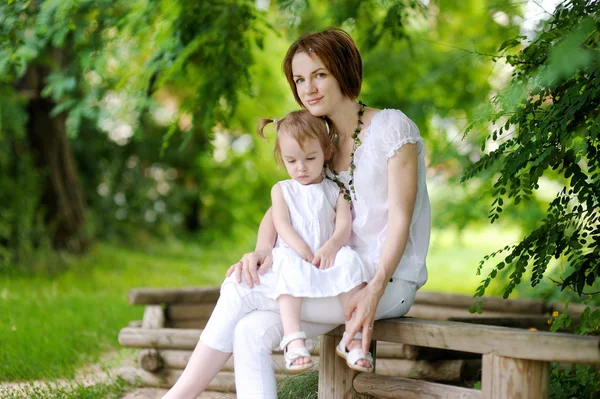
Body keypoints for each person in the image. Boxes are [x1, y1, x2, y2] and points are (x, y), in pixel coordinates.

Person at [162, 27, 430, 399]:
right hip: (327, 275)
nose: (308, 88)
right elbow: (285, 204)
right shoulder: (319, 140)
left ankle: (175, 397)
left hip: (384, 283)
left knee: (240, 290)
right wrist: (262, 250)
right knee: (249, 331)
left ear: (343, 70)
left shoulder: (391, 128)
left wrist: (375, 288)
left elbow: (401, 218)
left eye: (319, 74)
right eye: (299, 79)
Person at [241, 110, 372, 373]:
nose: (301, 168)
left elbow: (344, 225)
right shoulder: (282, 190)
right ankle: (293, 340)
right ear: (282, 159)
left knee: (351, 261)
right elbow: (282, 223)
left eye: (310, 158)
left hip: (327, 253)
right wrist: (300, 247)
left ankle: (353, 339)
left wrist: (332, 246)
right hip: (296, 252)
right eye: (291, 161)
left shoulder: (336, 191)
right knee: (287, 261)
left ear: (327, 152)